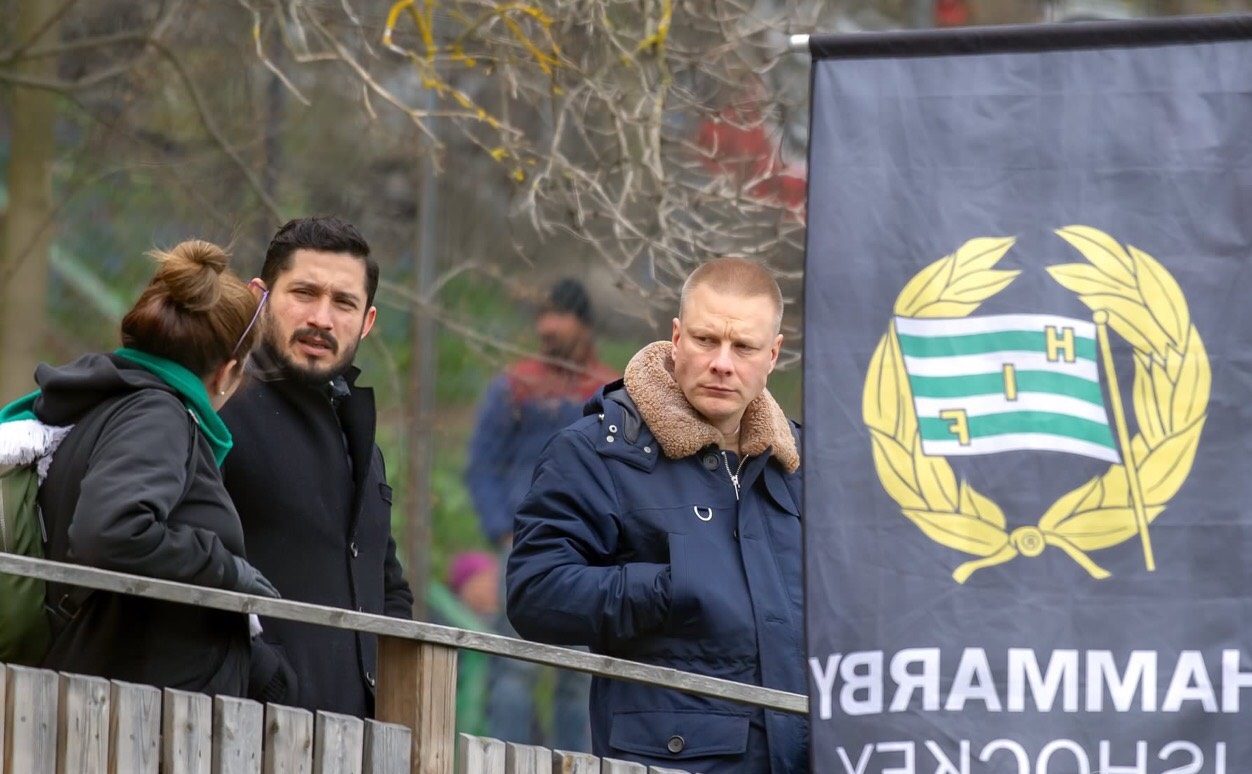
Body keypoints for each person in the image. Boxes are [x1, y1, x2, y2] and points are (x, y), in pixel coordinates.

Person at [506, 258, 806, 773]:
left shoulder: (805, 465)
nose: (722, 363)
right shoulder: (596, 452)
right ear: (677, 338)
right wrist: (668, 588)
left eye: (744, 347)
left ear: (773, 354)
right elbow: (535, 591)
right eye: (706, 340)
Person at [0, 239, 277, 696]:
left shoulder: (116, 401)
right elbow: (109, 531)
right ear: (227, 372)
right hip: (129, 713)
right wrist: (225, 567)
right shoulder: (157, 414)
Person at [220, 216, 413, 716]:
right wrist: (268, 678)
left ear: (367, 321)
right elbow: (172, 557)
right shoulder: (220, 408)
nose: (322, 319)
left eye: (344, 302)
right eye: (304, 293)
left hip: (357, 737)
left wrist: (393, 700)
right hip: (239, 727)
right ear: (259, 297)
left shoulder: (356, 434)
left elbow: (386, 583)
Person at [466, 278, 617, 750]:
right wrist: (504, 534)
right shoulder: (514, 387)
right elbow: (482, 467)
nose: (548, 327)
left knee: (580, 678)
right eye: (543, 317)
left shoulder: (610, 393)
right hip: (523, 550)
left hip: (588, 558)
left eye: (560, 316)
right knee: (513, 668)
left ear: (584, 325)